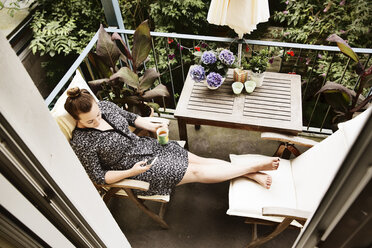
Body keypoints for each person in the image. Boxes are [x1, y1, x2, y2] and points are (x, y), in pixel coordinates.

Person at [64, 87, 279, 196]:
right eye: (90, 121)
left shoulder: (105, 106)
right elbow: (100, 177)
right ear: (77, 119)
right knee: (196, 172)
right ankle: (252, 167)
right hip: (138, 168)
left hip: (146, 146)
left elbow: (132, 119)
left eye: (98, 114)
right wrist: (131, 172)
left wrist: (154, 126)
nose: (98, 120)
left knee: (200, 161)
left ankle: (249, 173)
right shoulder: (82, 143)